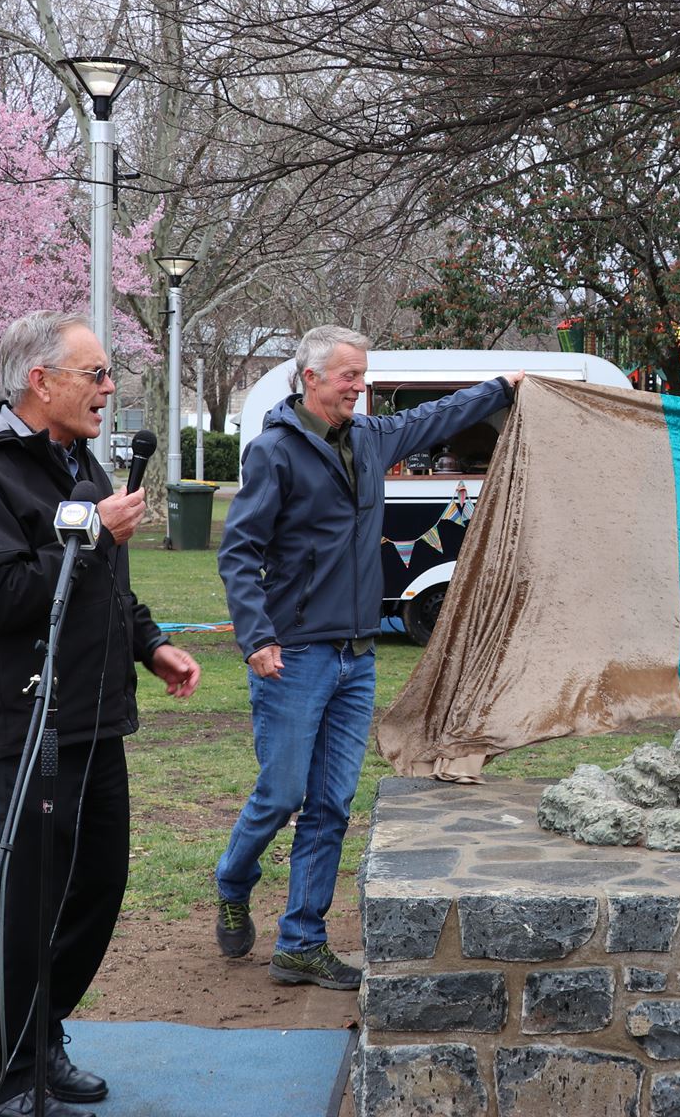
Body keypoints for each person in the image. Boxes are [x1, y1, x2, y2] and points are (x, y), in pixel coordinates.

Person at [0, 311, 201, 1117]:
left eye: (109, 375)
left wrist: (150, 645)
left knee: (97, 890)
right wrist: (90, 542)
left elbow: (105, 586)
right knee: (30, 905)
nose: (110, 390)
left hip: (94, 718)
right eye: (97, 374)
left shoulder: (73, 461)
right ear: (41, 382)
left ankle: (42, 1037)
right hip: (24, 728)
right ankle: (4, 1079)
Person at [213, 326, 522, 986]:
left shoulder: (371, 438)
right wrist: (257, 637)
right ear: (312, 379)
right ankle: (233, 878)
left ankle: (300, 941)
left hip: (357, 656)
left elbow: (436, 415)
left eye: (363, 375)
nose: (360, 386)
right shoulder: (275, 453)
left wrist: (501, 388)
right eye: (349, 376)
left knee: (330, 803)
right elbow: (239, 550)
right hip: (294, 655)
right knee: (282, 793)